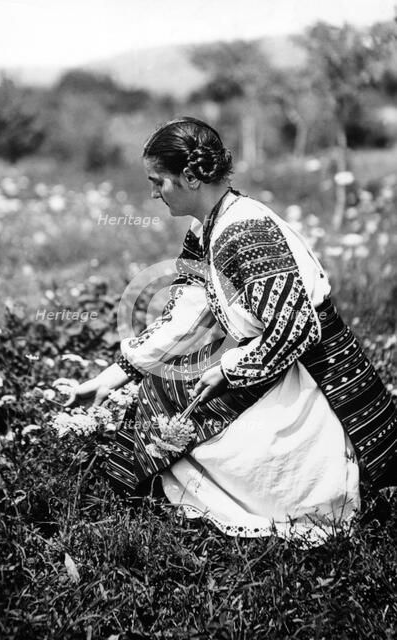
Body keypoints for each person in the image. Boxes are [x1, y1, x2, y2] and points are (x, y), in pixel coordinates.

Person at [65, 117, 396, 541]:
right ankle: (171, 484)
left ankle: (296, 496)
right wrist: (111, 377)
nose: (152, 193)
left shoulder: (246, 231)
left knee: (187, 410)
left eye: (158, 181)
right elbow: (185, 312)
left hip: (310, 374)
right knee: (166, 388)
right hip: (266, 357)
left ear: (189, 176)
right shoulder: (207, 225)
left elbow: (298, 328)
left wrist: (229, 370)